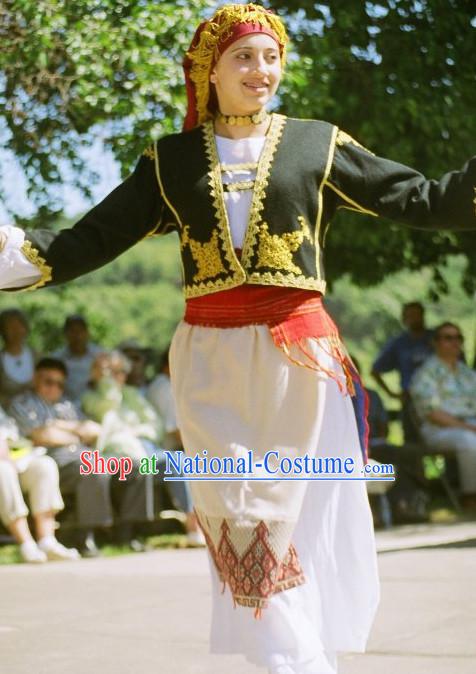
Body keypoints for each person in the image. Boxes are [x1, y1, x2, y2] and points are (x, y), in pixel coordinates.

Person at [0, 3, 475, 672]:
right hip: (210, 358)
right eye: (244, 57)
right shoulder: (170, 161)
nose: (261, 70)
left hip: (298, 353)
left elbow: (421, 199)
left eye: (271, 56)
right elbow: (90, 240)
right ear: (211, 70)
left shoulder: (317, 143)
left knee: (295, 517)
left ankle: (298, 661)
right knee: (239, 516)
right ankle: (293, 662)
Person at [9, 357, 154, 555]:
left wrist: (58, 425)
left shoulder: (67, 404)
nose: (54, 388)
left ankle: (127, 533)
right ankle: (87, 537)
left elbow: (94, 430)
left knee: (137, 467)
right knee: (94, 468)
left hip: (84, 455)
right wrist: (75, 432)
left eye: (59, 383)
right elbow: (43, 434)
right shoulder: (22, 403)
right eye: (48, 382)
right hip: (51, 460)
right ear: (36, 379)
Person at [81, 350, 205, 546]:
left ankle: (194, 524)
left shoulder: (131, 395)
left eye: (121, 371)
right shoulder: (92, 396)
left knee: (179, 460)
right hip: (116, 453)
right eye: (111, 372)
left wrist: (135, 432)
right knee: (140, 466)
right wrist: (105, 382)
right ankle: (129, 533)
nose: (118, 377)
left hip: (144, 447)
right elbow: (107, 405)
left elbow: (155, 426)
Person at [0, 404, 80, 562]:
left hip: (16, 461)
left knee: (45, 465)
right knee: (4, 471)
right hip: (4, 467)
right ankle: (27, 545)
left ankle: (47, 542)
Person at [410, 322, 476, 509]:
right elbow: (432, 414)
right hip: (439, 429)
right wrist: (469, 427)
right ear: (435, 342)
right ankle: (470, 496)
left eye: (458, 338)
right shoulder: (426, 374)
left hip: (471, 424)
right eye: (448, 337)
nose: (454, 342)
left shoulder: (467, 373)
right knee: (469, 441)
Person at [371, 302, 433, 441]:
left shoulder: (436, 339)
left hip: (441, 397)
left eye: (418, 315)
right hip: (411, 400)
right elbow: (375, 370)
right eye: (411, 315)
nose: (415, 319)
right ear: (404, 319)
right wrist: (392, 394)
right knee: (412, 442)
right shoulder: (399, 343)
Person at [52, 314, 103, 402]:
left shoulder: (100, 355)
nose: (77, 335)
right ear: (65, 334)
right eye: (72, 331)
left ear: (87, 333)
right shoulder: (56, 359)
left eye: (80, 331)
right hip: (65, 408)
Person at [0, 308, 36, 407]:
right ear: (2, 331)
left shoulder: (38, 357)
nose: (16, 330)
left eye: (19, 326)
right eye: (10, 327)